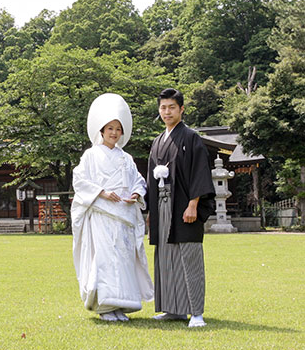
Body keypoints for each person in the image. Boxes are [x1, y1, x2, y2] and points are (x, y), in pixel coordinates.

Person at [72, 93, 154, 322]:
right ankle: (105, 307)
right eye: (110, 128)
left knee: (123, 260)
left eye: (118, 129)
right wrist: (102, 192)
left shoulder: (126, 158)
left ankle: (120, 305)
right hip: (102, 214)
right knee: (105, 260)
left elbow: (138, 180)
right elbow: (79, 181)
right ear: (101, 130)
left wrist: (137, 193)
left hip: (124, 214)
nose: (114, 133)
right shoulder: (90, 155)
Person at [147, 88, 215, 328]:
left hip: (184, 206)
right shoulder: (157, 142)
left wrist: (193, 204)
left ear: (181, 109)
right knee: (166, 258)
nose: (167, 112)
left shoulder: (190, 137)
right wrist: (151, 212)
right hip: (163, 205)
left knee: (189, 256)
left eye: (172, 107)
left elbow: (199, 171)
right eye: (163, 107)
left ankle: (196, 312)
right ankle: (173, 309)